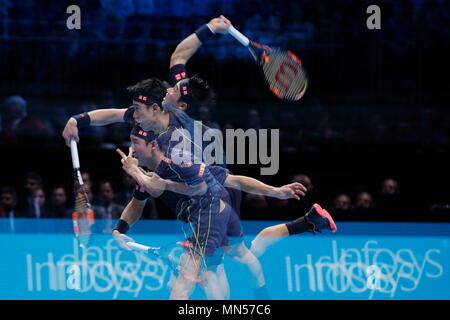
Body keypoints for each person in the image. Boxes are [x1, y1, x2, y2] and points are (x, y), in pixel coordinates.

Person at [113, 126, 336, 299]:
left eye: (135, 142)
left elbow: (234, 180)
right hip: (202, 218)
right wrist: (120, 229)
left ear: (153, 145)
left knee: (203, 281)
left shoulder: (180, 163)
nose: (131, 148)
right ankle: (307, 222)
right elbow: (137, 202)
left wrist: (275, 192)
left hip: (214, 211)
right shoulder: (151, 174)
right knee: (241, 254)